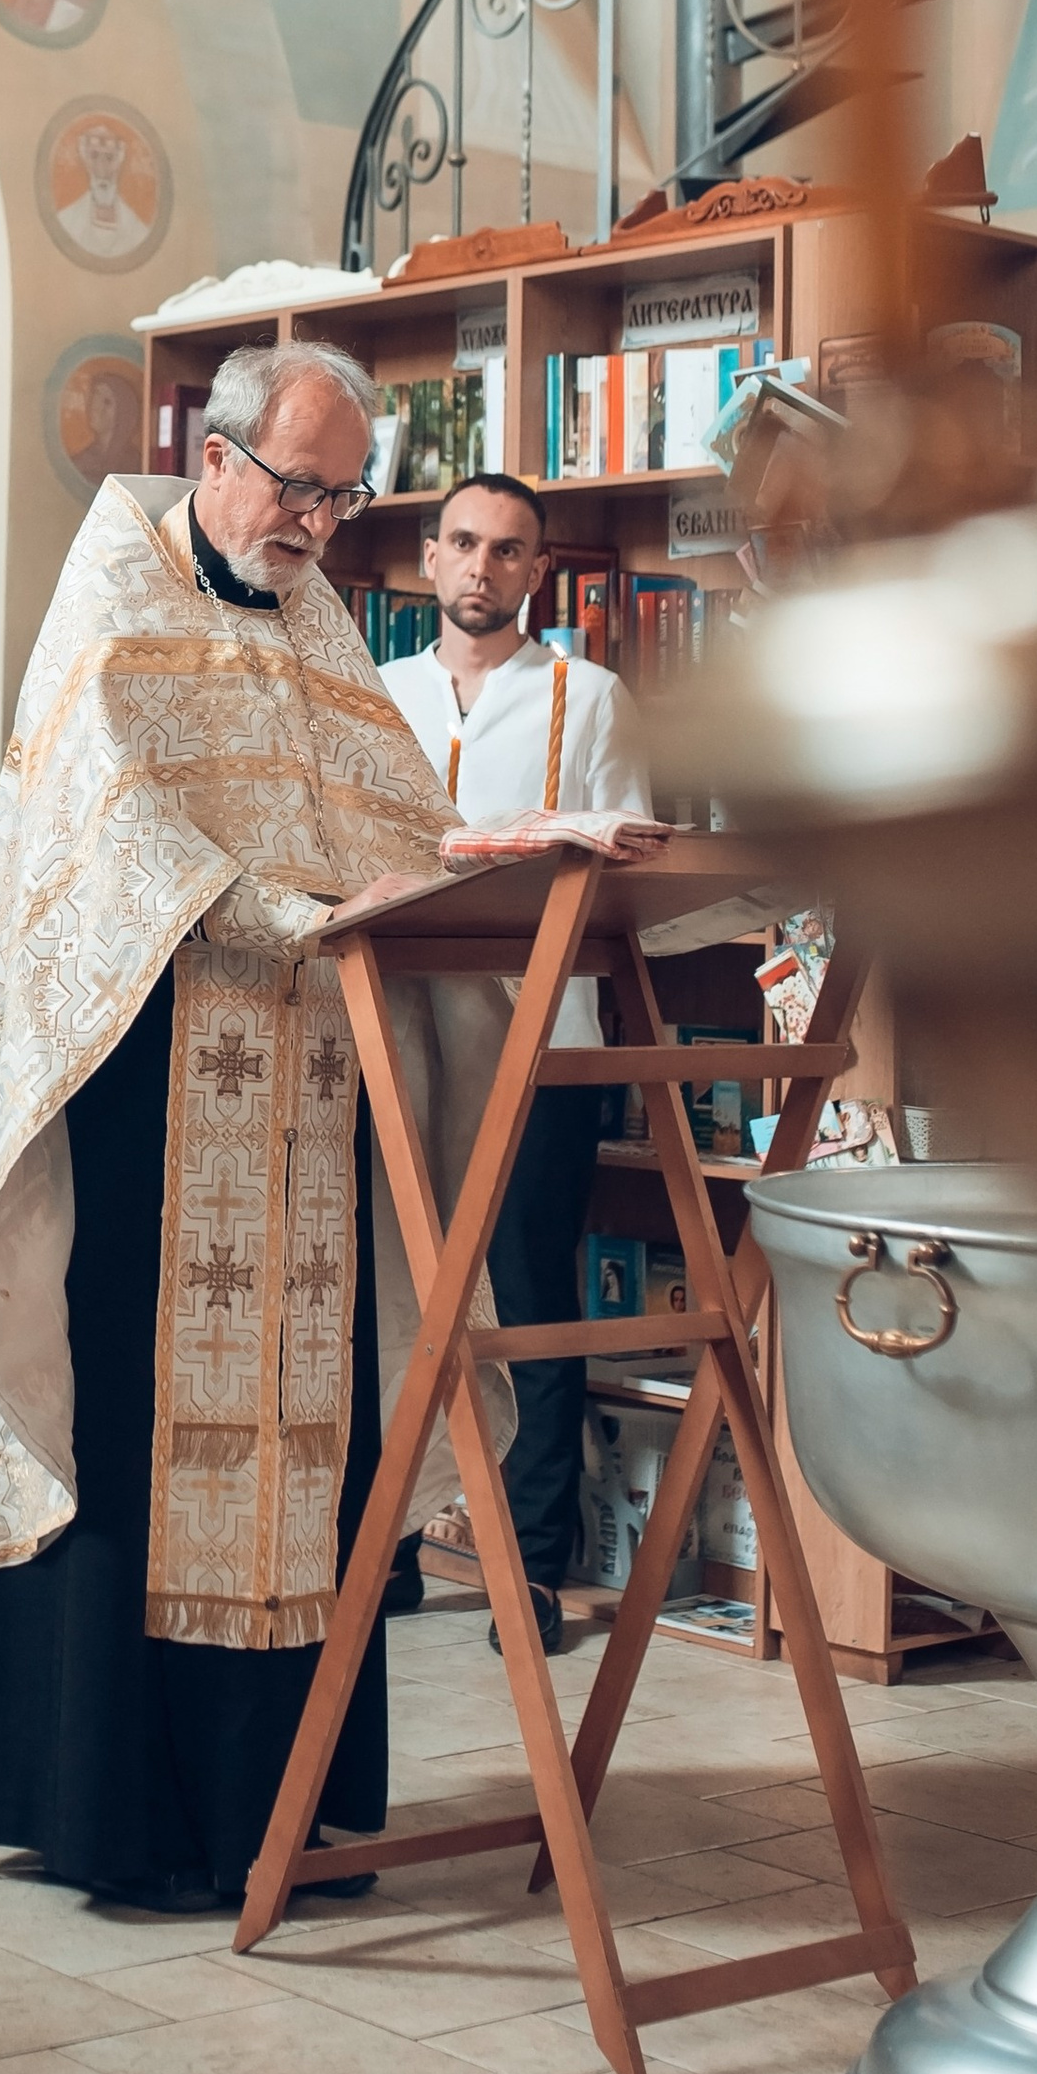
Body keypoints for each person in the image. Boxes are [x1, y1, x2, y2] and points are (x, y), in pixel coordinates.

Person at [0, 342, 657, 1910]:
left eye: (344, 497)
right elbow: (111, 831)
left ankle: (280, 1801)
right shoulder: (112, 601)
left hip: (315, 1085)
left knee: (321, 1414)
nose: (318, 524)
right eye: (301, 487)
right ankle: (115, 1810)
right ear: (214, 455)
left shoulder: (319, 618)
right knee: (133, 1421)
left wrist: (481, 864)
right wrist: (288, 908)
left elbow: (392, 817)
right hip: (147, 1080)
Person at [378, 472, 656, 1650]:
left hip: (545, 1043)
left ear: (537, 570)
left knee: (526, 1303)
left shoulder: (586, 695)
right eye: (462, 543)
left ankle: (530, 1570)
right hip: (390, 1031)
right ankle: (378, 1546)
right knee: (380, 1293)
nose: (481, 567)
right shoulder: (373, 693)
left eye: (507, 549)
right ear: (427, 560)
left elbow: (626, 865)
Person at [54, 118, 141, 261]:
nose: (102, 169)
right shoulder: (67, 219)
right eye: (94, 156)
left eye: (109, 157)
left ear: (120, 160)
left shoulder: (136, 228)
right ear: (84, 159)